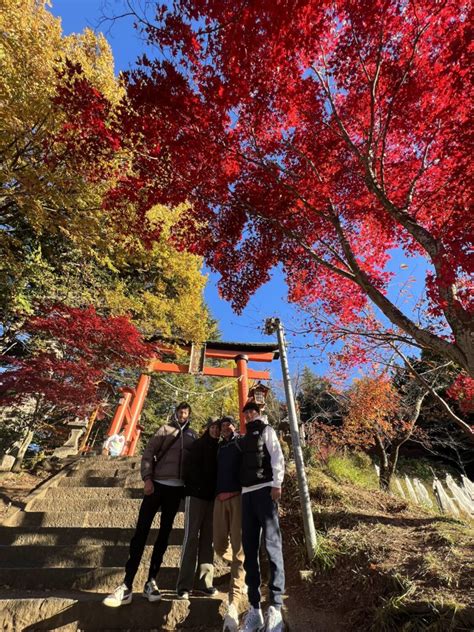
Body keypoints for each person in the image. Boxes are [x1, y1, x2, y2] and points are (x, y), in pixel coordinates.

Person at [103, 402, 197, 607]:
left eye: (186, 412)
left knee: (164, 534)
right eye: (180, 411)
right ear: (175, 413)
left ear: (190, 415)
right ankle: (127, 583)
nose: (182, 415)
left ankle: (151, 581)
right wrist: (147, 477)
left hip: (177, 489)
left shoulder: (193, 436)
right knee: (141, 532)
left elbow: (196, 461)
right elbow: (148, 452)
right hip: (156, 485)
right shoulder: (164, 429)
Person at [238, 402, 285, 632]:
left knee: (272, 545)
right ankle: (254, 608)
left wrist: (277, 483)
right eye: (246, 413)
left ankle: (275, 606)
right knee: (249, 549)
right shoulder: (242, 437)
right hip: (246, 494)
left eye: (252, 412)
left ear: (259, 412)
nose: (249, 415)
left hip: (265, 489)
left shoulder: (267, 430)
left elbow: (277, 455)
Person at [176, 417, 221, 599]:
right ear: (208, 427)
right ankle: (184, 585)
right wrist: (189, 488)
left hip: (213, 499)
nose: (216, 431)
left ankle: (205, 583)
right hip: (195, 496)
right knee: (191, 537)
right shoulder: (197, 445)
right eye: (213, 427)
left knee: (208, 540)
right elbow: (187, 469)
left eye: (219, 428)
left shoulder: (221, 448)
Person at [213, 416, 245, 631]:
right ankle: (243, 570)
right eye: (223, 426)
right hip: (218, 498)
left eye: (229, 425)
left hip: (238, 497)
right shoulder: (218, 447)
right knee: (219, 545)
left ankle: (234, 599)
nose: (226, 428)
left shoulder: (241, 442)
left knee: (239, 549)